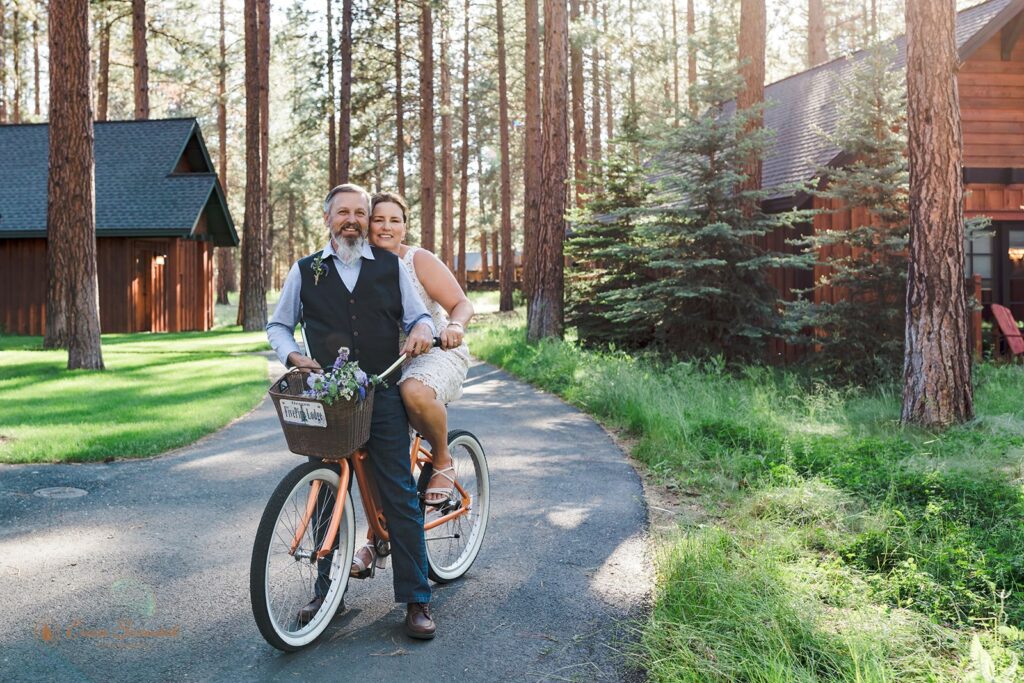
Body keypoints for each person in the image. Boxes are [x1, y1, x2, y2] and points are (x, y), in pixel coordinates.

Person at [266, 183, 439, 640]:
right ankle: (327, 594)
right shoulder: (306, 270)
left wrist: (421, 331)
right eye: (343, 212)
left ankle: (417, 598)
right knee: (325, 492)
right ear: (327, 219)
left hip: (380, 391)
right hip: (327, 396)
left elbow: (420, 317)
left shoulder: (391, 266)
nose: (352, 220)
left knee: (398, 491)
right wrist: (293, 357)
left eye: (360, 213)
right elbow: (279, 325)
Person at [350, 192, 475, 577]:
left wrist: (454, 326)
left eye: (395, 220)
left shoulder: (416, 259)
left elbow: (461, 303)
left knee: (414, 392)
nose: (386, 227)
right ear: (367, 224)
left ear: (404, 226)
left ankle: (441, 458)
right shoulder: (356, 263)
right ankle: (376, 537)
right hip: (388, 362)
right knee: (370, 444)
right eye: (379, 220)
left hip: (435, 350)